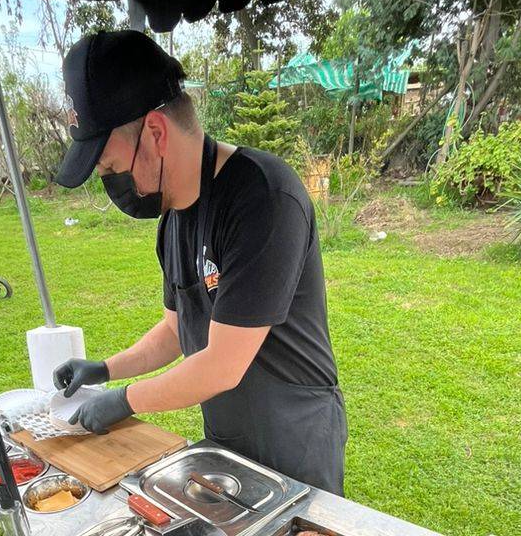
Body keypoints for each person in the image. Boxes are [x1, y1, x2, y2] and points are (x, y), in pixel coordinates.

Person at [51, 31, 348, 495]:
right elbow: (176, 330)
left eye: (110, 168)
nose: (112, 184)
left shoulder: (262, 198)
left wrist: (125, 400)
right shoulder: (172, 220)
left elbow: (222, 366)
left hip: (293, 433)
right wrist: (106, 368)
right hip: (228, 435)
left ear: (154, 132)